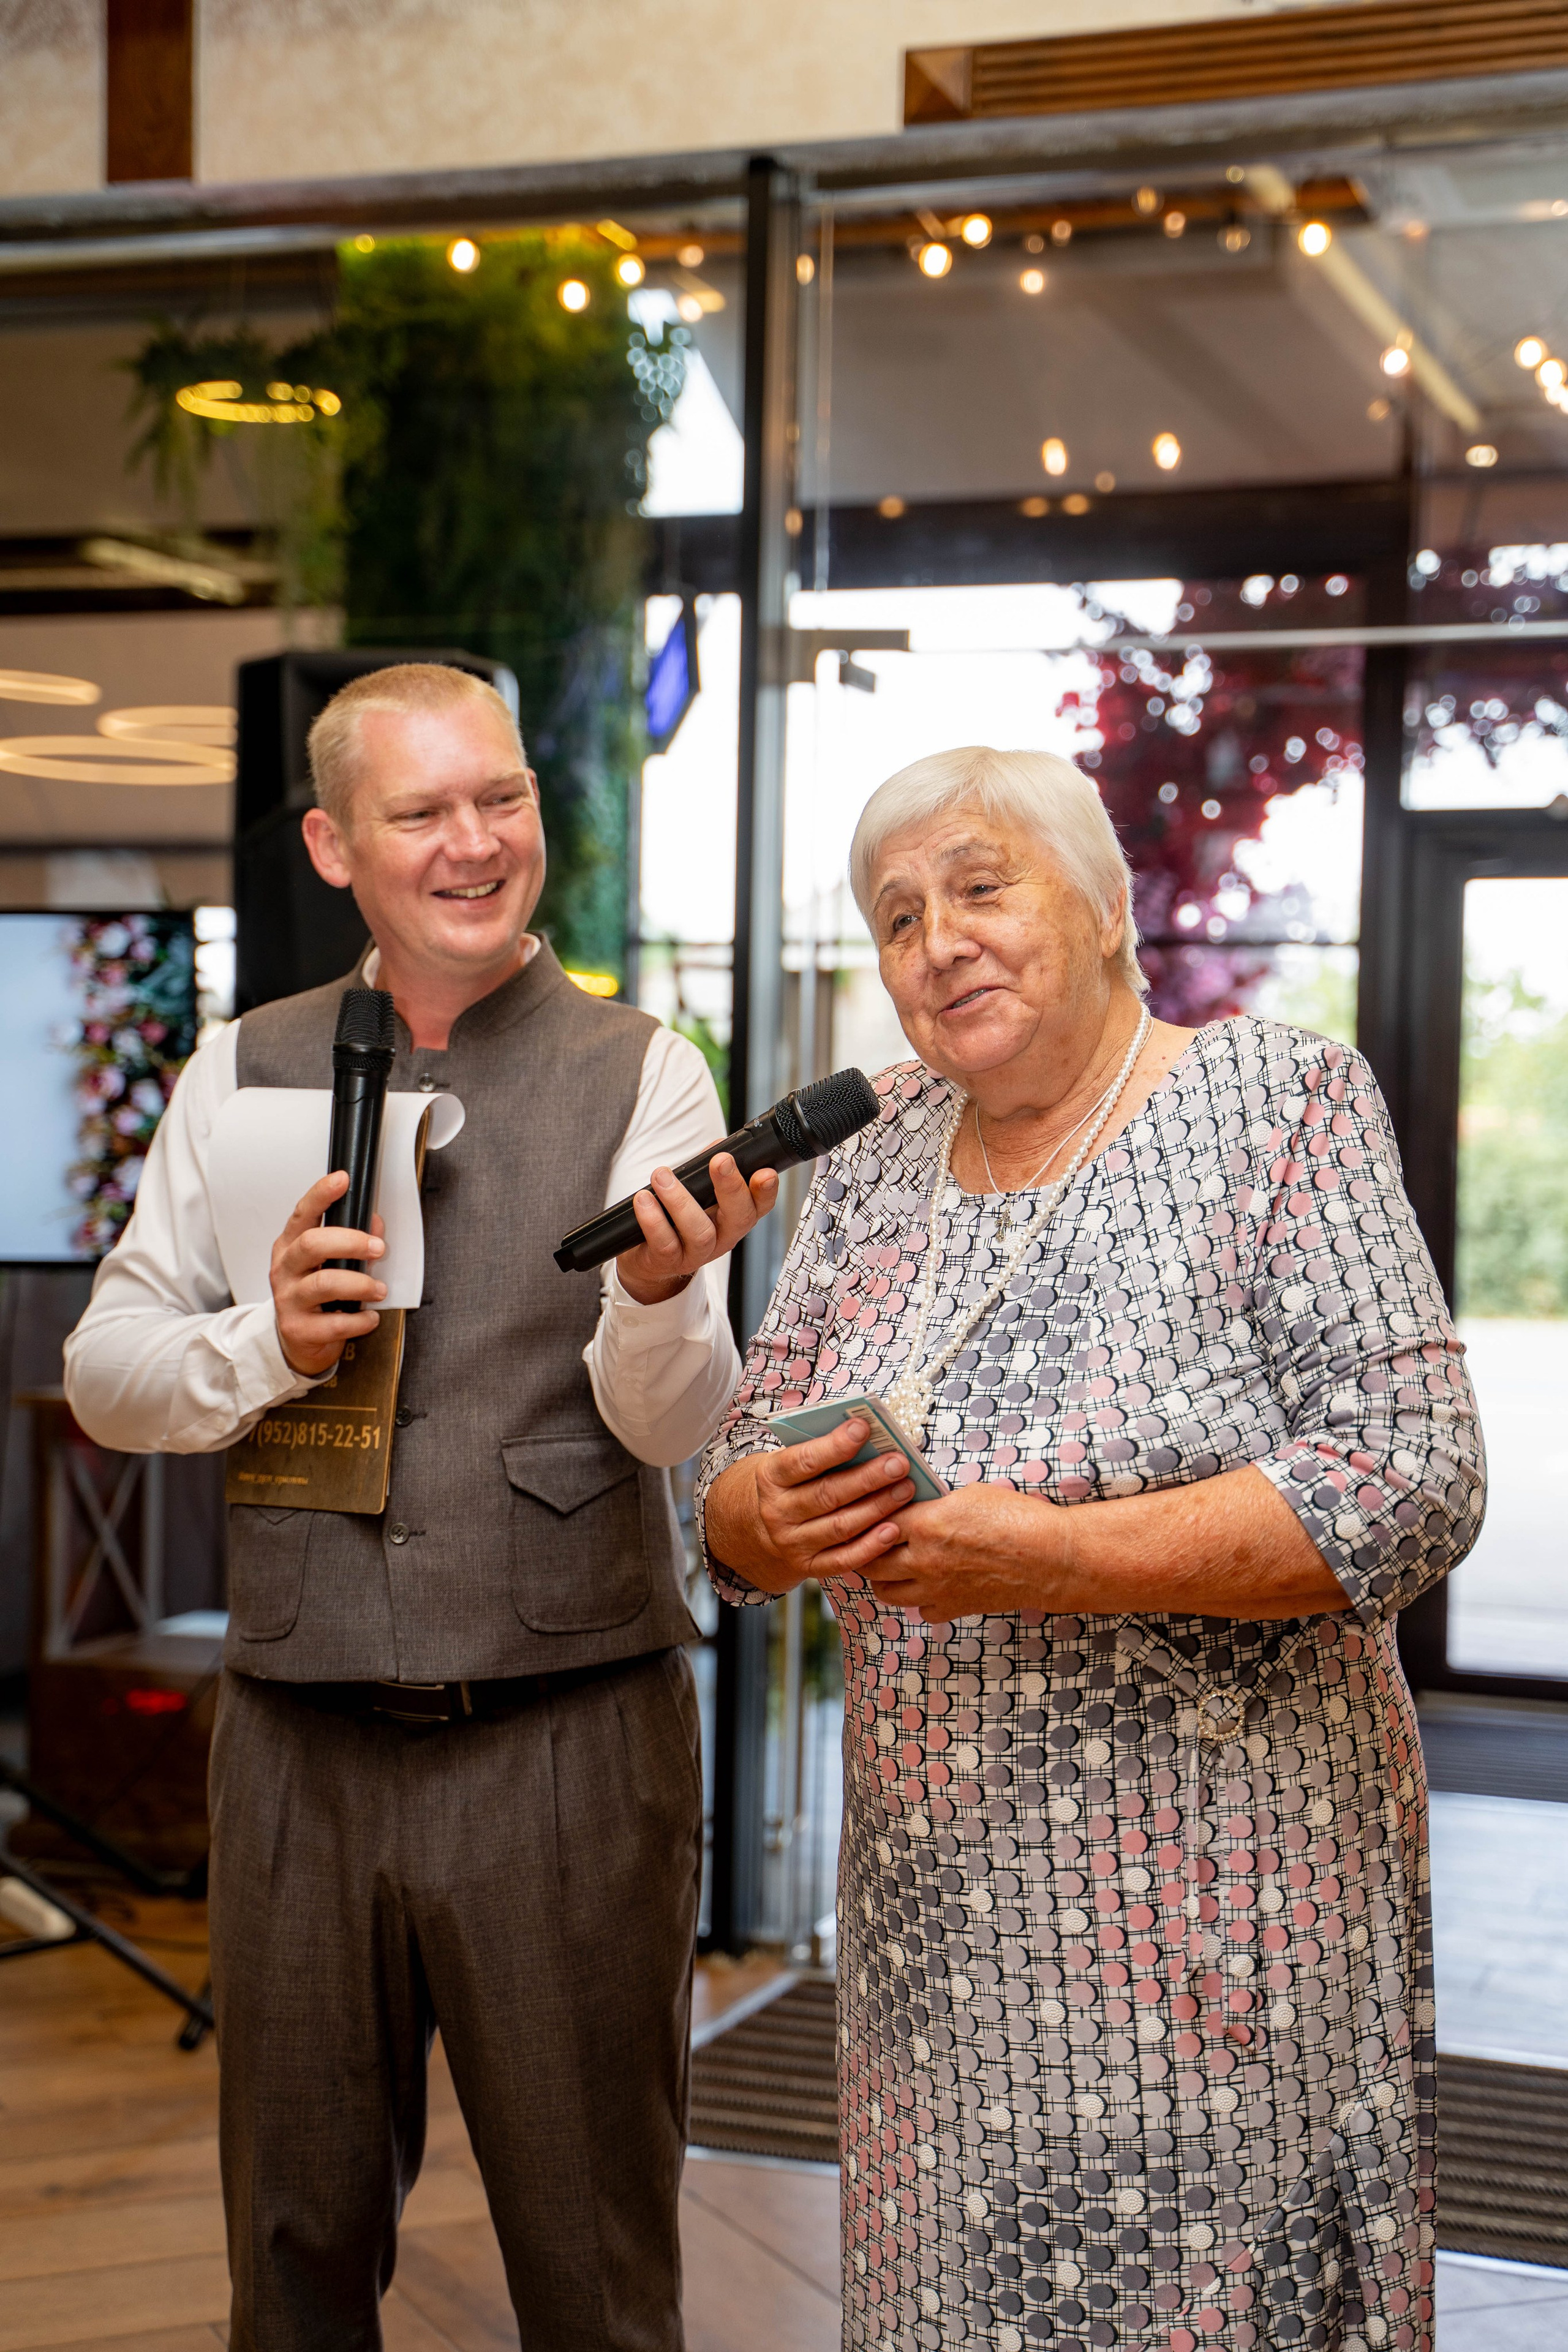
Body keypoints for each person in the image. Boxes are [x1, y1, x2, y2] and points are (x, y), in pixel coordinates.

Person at [698, 745, 1483, 2352]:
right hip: (938, 1950)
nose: (940, 942)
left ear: (1112, 910)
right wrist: (745, 1518)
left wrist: (1060, 1556)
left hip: (1223, 1939)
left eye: (984, 887)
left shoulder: (1279, 1104)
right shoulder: (876, 1154)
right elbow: (740, 1456)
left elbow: (1414, 1481)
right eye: (899, 916)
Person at [64, 662, 777, 2352]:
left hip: (568, 1744)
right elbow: (111, 1369)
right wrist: (259, 1341)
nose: (477, 844)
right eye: (425, 812)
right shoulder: (241, 1067)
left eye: (503, 799)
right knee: (292, 2258)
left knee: (594, 2271)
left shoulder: (642, 1070)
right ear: (332, 845)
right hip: (299, 1747)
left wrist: (671, 1297)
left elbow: (674, 1421)